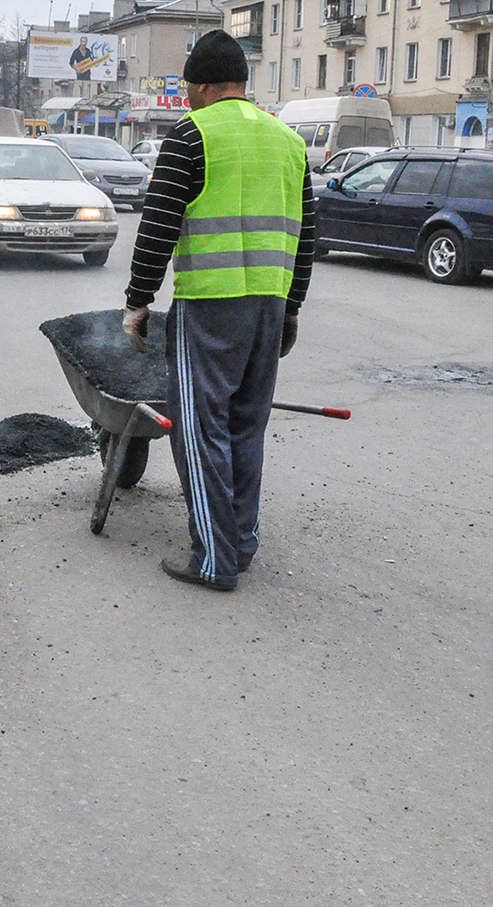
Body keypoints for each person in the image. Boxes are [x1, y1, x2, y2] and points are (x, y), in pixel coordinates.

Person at [122, 30, 316, 591]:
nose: (186, 101)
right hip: (269, 306)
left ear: (204, 88)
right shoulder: (288, 141)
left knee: (201, 430)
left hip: (209, 306)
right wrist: (293, 306)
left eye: (189, 91)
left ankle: (213, 559)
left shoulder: (191, 135)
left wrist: (138, 301)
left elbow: (157, 228)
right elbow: (307, 235)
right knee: (245, 426)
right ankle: (241, 542)